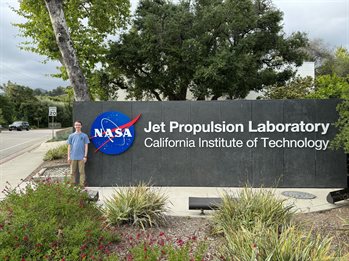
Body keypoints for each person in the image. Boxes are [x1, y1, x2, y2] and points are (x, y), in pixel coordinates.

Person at [67, 120, 90, 186]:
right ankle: (72, 185)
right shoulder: (71, 136)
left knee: (82, 172)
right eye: (76, 125)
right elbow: (69, 147)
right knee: (72, 172)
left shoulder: (84, 136)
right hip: (73, 157)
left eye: (79, 125)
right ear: (74, 126)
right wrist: (68, 157)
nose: (77, 126)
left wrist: (85, 156)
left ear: (81, 126)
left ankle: (81, 186)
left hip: (81, 157)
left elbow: (86, 146)